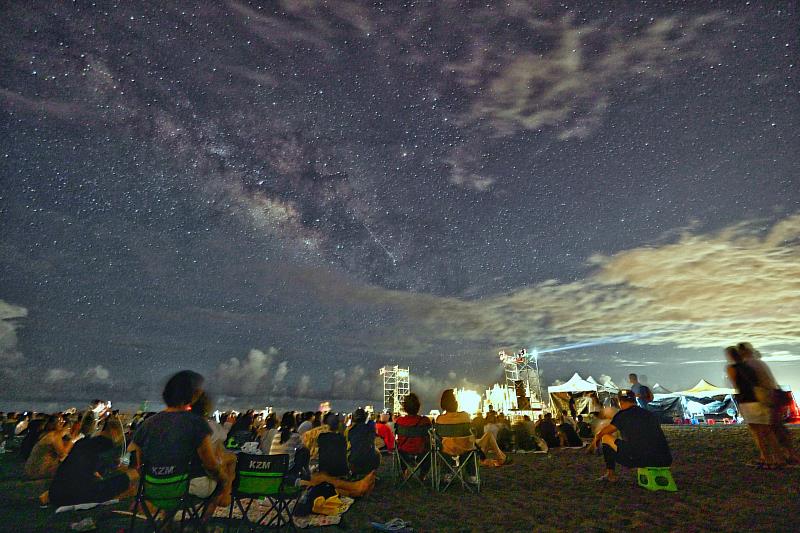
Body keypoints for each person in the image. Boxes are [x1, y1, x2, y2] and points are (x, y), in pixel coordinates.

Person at [129, 370, 234, 518]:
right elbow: (210, 465)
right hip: (182, 490)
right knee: (221, 481)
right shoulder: (195, 423)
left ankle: (167, 524)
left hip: (153, 490)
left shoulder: (147, 424)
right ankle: (201, 525)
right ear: (192, 395)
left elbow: (140, 464)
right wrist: (224, 481)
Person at [45, 416, 138, 507]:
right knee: (131, 475)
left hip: (56, 493)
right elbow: (110, 470)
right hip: (76, 496)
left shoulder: (83, 442)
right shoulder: (107, 447)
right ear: (114, 431)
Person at [588, 390, 672, 482]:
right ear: (634, 400)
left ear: (620, 401)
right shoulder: (649, 414)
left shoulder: (622, 415)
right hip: (665, 458)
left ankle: (610, 474)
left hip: (642, 459)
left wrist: (595, 442)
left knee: (606, 438)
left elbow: (602, 433)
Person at [737, 342, 799, 466]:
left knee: (768, 429)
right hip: (772, 394)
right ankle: (789, 455)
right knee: (777, 427)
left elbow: (755, 384)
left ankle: (776, 457)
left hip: (764, 397)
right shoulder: (759, 363)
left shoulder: (748, 365)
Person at [725, 346, 785, 468]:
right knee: (767, 431)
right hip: (758, 399)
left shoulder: (732, 368)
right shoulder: (750, 367)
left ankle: (767, 458)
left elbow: (735, 385)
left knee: (757, 433)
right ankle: (779, 458)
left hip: (747, 401)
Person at [436, 389, 510, 469]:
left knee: (486, 437)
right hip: (465, 449)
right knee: (488, 436)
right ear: (455, 403)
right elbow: (470, 435)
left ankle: (495, 458)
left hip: (447, 450)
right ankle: (500, 458)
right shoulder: (465, 416)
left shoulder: (439, 419)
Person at [394, 393, 432, 478]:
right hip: (422, 454)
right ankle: (423, 475)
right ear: (418, 406)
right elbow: (428, 438)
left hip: (404, 454)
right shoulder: (425, 421)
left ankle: (403, 472)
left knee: (398, 447)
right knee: (429, 448)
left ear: (405, 407)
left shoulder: (399, 421)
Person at [24, 414, 73, 480]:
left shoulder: (45, 433)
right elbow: (63, 453)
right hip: (39, 471)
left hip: (30, 469)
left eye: (63, 422)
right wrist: (72, 440)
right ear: (53, 424)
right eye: (60, 422)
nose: (62, 424)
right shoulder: (55, 435)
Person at [269, 412, 310, 485]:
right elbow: (303, 447)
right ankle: (306, 473)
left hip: (274, 466)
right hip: (287, 469)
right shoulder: (295, 436)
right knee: (304, 451)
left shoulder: (276, 435)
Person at [345, 408, 380, 476]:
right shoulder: (370, 428)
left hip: (355, 463)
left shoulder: (351, 430)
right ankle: (372, 473)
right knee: (377, 453)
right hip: (370, 463)